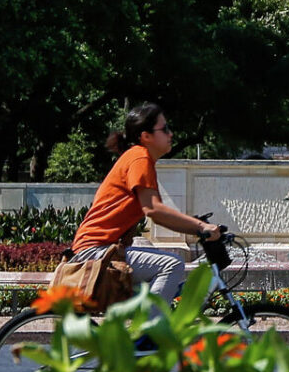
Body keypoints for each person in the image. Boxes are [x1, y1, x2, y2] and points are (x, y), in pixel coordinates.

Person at [68, 103, 224, 305]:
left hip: (102, 250)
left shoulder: (139, 158)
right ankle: (151, 331)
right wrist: (200, 227)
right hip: (96, 251)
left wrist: (195, 225)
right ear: (146, 136)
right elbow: (154, 209)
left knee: (149, 294)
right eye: (165, 128)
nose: (171, 133)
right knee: (172, 264)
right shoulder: (139, 157)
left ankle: (139, 330)